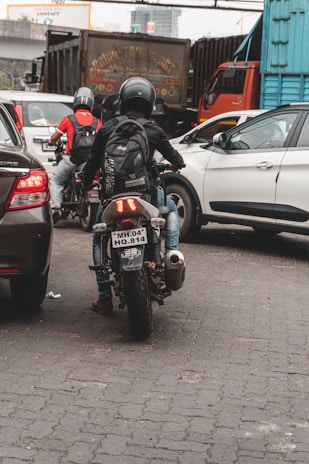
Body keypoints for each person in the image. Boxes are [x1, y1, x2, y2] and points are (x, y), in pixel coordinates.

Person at [83, 77, 185, 316]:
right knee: (170, 210)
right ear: (149, 103)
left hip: (112, 197)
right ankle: (171, 256)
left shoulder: (107, 127)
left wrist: (86, 181)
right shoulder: (152, 129)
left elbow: (92, 161)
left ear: (123, 100)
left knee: (99, 237)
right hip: (146, 195)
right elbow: (175, 158)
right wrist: (177, 164)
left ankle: (105, 297)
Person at [49, 87, 102, 224]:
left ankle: (56, 208)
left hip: (72, 159)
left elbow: (55, 137)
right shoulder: (97, 122)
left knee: (56, 180)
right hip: (91, 161)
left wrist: (52, 142)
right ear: (90, 104)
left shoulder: (69, 119)